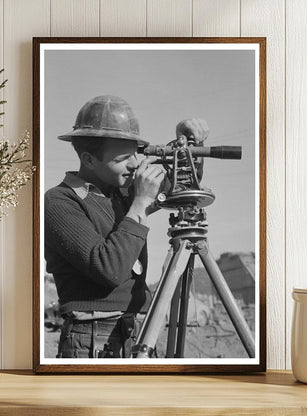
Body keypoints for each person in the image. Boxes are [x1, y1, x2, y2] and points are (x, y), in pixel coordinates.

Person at [45, 95, 208, 358]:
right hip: (92, 339)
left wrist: (187, 142)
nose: (135, 164)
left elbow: (184, 188)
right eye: (123, 157)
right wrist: (141, 202)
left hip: (139, 333)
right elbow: (109, 269)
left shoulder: (123, 190)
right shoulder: (60, 201)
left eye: (136, 152)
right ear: (88, 159)